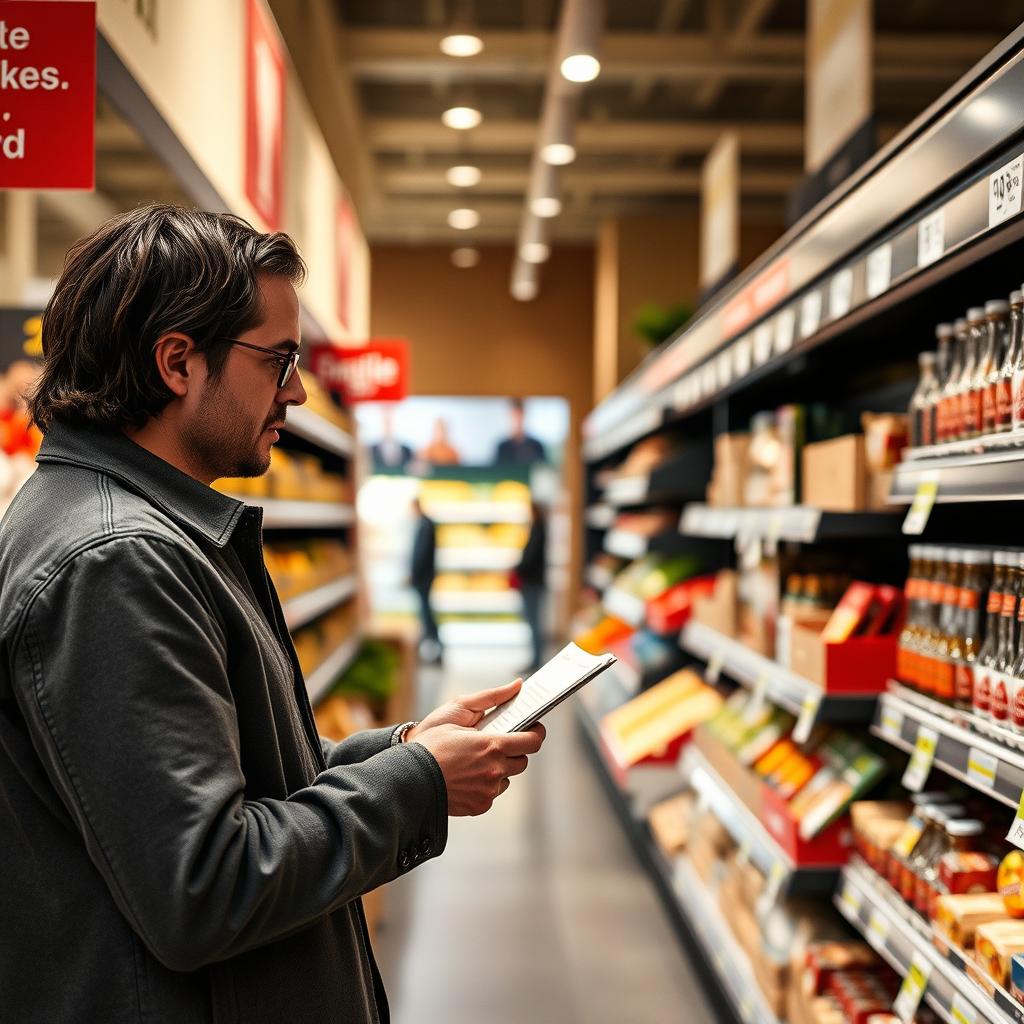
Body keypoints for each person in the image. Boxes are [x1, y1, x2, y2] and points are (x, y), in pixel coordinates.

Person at [0, 205, 545, 1024]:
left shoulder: (135, 528)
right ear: (178, 362)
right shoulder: (117, 561)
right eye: (278, 359)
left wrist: (401, 750)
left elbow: (236, 777)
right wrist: (420, 785)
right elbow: (207, 883)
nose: (296, 390)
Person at [517, 501, 548, 673]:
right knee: (533, 620)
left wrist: (518, 569)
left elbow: (530, 558)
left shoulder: (537, 529)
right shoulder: (538, 528)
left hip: (532, 582)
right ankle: (535, 658)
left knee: (533, 621)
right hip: (533, 581)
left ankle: (536, 659)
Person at [410, 495, 442, 663]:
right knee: (425, 612)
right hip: (424, 576)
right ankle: (432, 649)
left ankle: (435, 649)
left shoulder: (425, 524)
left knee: (426, 613)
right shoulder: (425, 523)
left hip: (423, 577)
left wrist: (414, 574)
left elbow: (421, 554)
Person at [494, 397, 546, 465]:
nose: (517, 420)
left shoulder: (536, 446)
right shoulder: (502, 447)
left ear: (524, 415)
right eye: (515, 416)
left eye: (520, 415)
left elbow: (543, 468)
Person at [370, 405, 413, 472]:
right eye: (385, 422)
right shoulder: (371, 450)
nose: (388, 425)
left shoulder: (407, 451)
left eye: (390, 422)